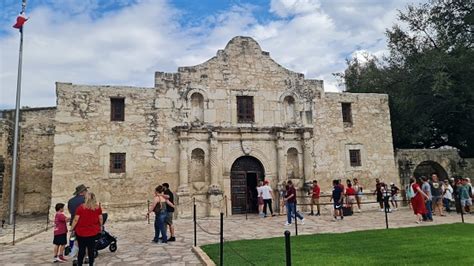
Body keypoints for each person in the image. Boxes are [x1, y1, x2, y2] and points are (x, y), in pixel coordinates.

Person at [70, 192, 103, 266]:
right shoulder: (97, 208)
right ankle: (91, 264)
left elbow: (76, 219)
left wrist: (72, 228)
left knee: (81, 250)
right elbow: (100, 218)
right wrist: (101, 226)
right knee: (91, 250)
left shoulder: (81, 207)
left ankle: (80, 264)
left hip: (81, 232)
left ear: (85, 198)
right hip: (93, 232)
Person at [67, 184, 88, 258]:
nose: (87, 192)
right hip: (84, 222)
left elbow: (70, 211)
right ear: (83, 192)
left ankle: (75, 256)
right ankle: (86, 256)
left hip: (74, 223)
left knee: (75, 240)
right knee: (86, 239)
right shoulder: (85, 200)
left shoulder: (70, 201)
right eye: (86, 190)